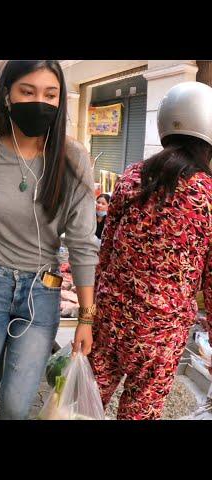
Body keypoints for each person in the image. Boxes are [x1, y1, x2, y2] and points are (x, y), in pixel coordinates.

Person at [0, 60, 99, 420]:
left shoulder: (73, 159)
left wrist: (87, 317)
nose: (39, 101)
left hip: (42, 292)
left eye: (50, 94)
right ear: (7, 96)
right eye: (27, 91)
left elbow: (82, 242)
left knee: (15, 404)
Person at [90, 82, 212, 420]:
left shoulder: (131, 177)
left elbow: (106, 248)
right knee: (139, 412)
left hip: (111, 319)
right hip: (161, 335)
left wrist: (96, 304)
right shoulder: (207, 195)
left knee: (84, 403)